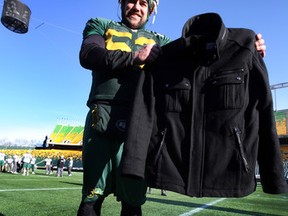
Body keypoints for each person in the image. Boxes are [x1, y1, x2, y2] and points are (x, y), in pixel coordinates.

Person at [77, 1, 266, 215]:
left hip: (141, 126)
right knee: (91, 199)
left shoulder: (161, 41)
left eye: (143, 3)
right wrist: (134, 57)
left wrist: (243, 47)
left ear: (151, 9)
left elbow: (203, 52)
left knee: (132, 201)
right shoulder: (100, 24)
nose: (137, 7)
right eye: (131, 0)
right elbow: (89, 54)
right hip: (101, 117)